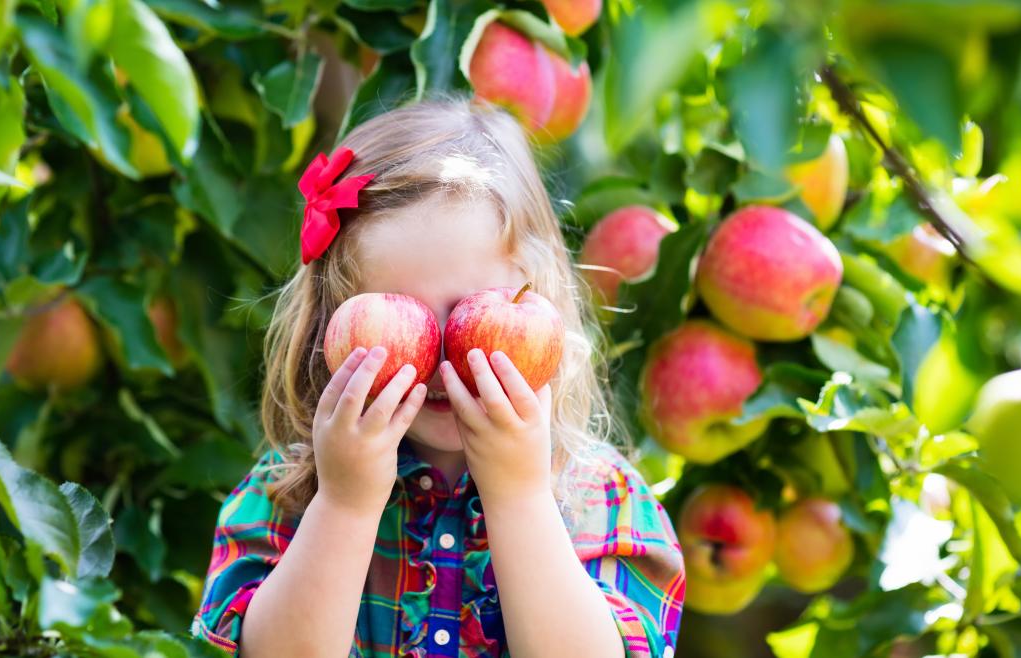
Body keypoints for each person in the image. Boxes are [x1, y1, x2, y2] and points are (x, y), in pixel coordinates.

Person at [190, 96, 685, 658]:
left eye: (475, 309)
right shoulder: (292, 491)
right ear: (332, 326)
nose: (444, 359)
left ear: (537, 300)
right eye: (403, 316)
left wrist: (519, 498)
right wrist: (344, 507)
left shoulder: (601, 497)